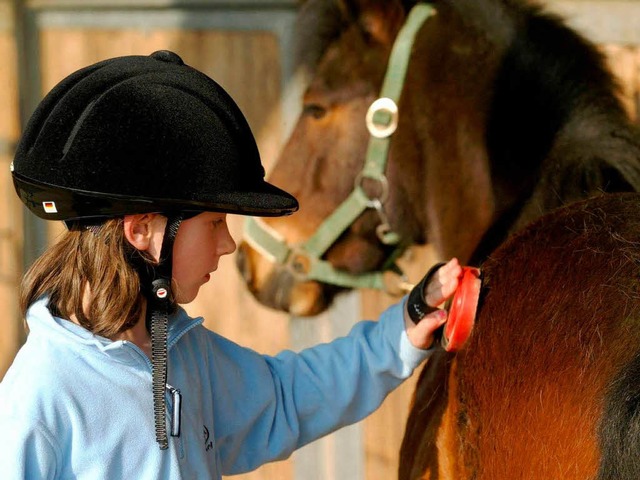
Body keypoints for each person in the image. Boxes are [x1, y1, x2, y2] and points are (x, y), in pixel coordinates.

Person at [0, 50, 462, 478]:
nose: (228, 245)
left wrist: (403, 327)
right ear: (141, 229)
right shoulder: (41, 396)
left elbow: (285, 397)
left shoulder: (182, 352)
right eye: (215, 222)